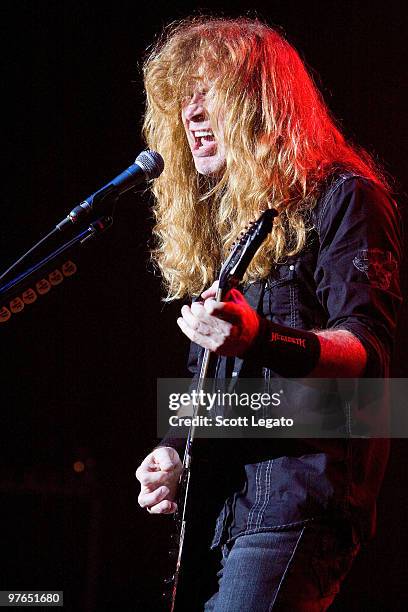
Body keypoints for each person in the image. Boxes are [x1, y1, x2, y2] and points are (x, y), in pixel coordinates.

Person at [135, 17, 402, 611]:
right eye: (183, 97)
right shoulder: (234, 233)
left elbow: (371, 362)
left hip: (297, 500)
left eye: (211, 93)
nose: (192, 113)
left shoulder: (347, 197)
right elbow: (219, 385)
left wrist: (259, 339)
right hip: (220, 507)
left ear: (262, 103)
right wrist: (176, 449)